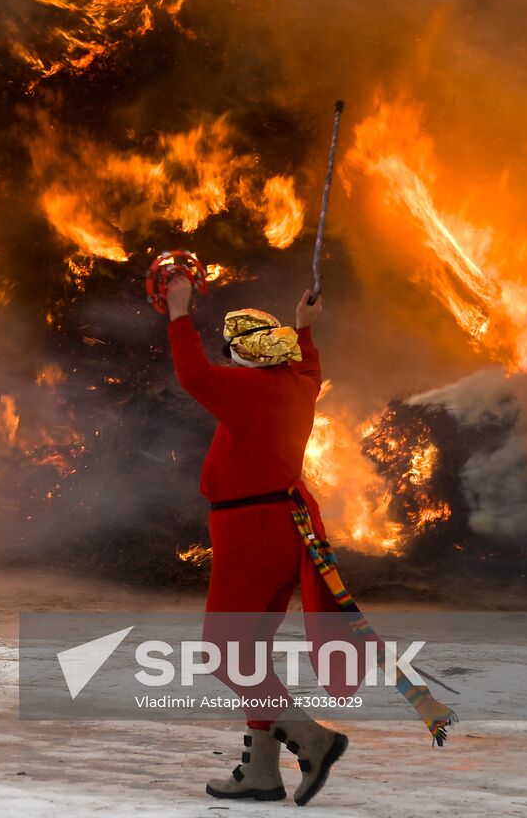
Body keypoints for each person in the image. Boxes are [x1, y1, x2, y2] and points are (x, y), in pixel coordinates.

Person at [164, 274, 350, 806]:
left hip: (251, 532)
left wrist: (178, 310)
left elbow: (194, 374)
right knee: (251, 653)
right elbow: (310, 365)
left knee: (224, 655)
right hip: (281, 528)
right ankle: (262, 773)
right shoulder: (298, 385)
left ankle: (312, 737)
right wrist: (305, 329)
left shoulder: (247, 390)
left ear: (243, 358)